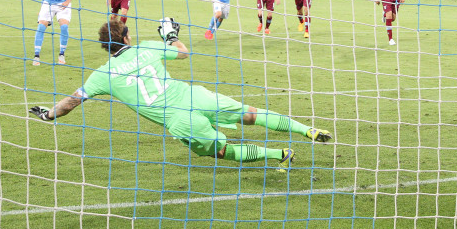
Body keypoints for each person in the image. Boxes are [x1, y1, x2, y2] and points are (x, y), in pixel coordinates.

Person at [28, 19, 332, 170]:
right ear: (126, 37)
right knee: (251, 114)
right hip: (192, 96)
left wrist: (49, 114)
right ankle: (306, 129)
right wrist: (170, 35)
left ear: (105, 47)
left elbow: (71, 102)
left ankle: (280, 155)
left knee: (222, 152)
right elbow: (184, 53)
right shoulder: (147, 47)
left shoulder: (102, 75)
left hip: (177, 120)